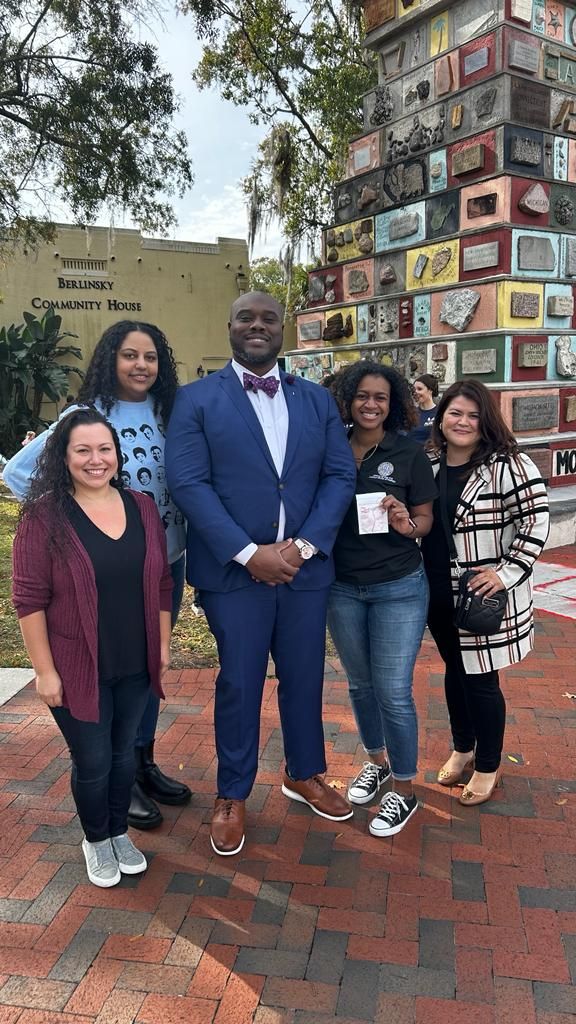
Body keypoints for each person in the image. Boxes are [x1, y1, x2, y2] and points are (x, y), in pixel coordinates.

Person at [166, 291, 357, 856]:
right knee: (240, 682)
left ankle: (304, 772)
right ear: (228, 326)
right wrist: (251, 554)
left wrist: (301, 547)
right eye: (246, 317)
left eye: (268, 318)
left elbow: (338, 477)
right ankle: (232, 792)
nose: (257, 325)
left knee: (304, 677)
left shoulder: (318, 400)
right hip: (234, 575)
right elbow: (189, 485)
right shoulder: (195, 400)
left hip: (305, 571)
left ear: (284, 329)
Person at [2, 320, 190, 830]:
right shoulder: (87, 417)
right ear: (111, 360)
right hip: (102, 564)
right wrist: (66, 527)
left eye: (150, 356)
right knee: (105, 665)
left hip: (163, 559)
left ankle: (142, 764)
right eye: (129, 355)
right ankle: (116, 778)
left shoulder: (172, 413)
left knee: (144, 669)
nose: (140, 365)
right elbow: (18, 474)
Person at [12, 409, 173, 886]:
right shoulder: (44, 517)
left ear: (117, 455)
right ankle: (96, 838)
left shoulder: (142, 507)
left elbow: (163, 583)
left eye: (104, 449)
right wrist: (45, 671)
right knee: (94, 760)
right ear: (63, 456)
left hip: (135, 661)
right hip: (77, 665)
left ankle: (119, 830)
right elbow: (29, 601)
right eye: (82, 450)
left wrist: (162, 647)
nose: (95, 459)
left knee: (124, 754)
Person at [421, 380, 550, 805]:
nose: (463, 422)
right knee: (454, 674)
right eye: (455, 413)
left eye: (473, 415)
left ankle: (489, 765)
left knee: (481, 680)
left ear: (487, 421)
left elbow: (536, 522)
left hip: (481, 597)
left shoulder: (508, 464)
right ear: (441, 417)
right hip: (437, 591)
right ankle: (463, 747)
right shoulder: (430, 461)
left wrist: (506, 571)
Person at [327, 362, 436, 837]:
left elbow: (425, 520)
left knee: (393, 691)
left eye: (382, 398)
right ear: (349, 399)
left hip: (398, 586)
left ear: (394, 405)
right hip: (341, 586)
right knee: (360, 685)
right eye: (363, 396)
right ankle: (378, 765)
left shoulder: (407, 453)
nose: (371, 405)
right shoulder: (329, 451)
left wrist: (405, 523)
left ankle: (406, 790)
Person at [410, 373, 438, 444]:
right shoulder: (411, 413)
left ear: (430, 390)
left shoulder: (440, 413)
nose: (415, 392)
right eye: (414, 390)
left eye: (419, 389)